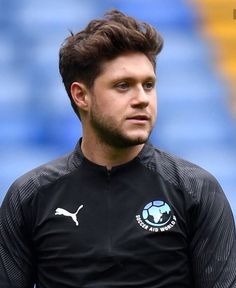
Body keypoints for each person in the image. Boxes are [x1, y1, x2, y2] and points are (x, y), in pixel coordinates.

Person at [0, 9, 235, 288]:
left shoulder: (196, 190)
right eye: (123, 86)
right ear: (81, 95)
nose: (142, 99)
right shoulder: (30, 196)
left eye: (148, 85)